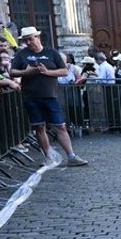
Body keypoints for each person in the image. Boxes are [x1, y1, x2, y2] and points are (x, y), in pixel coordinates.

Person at [9, 27, 88, 166]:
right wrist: (27, 72)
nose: (28, 42)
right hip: (31, 96)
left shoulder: (51, 52)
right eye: (25, 40)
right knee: (39, 127)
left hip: (50, 96)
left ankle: (71, 156)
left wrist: (47, 72)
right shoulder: (21, 54)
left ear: (37, 38)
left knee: (60, 126)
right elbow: (12, 72)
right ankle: (48, 157)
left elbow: (64, 71)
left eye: (30, 39)